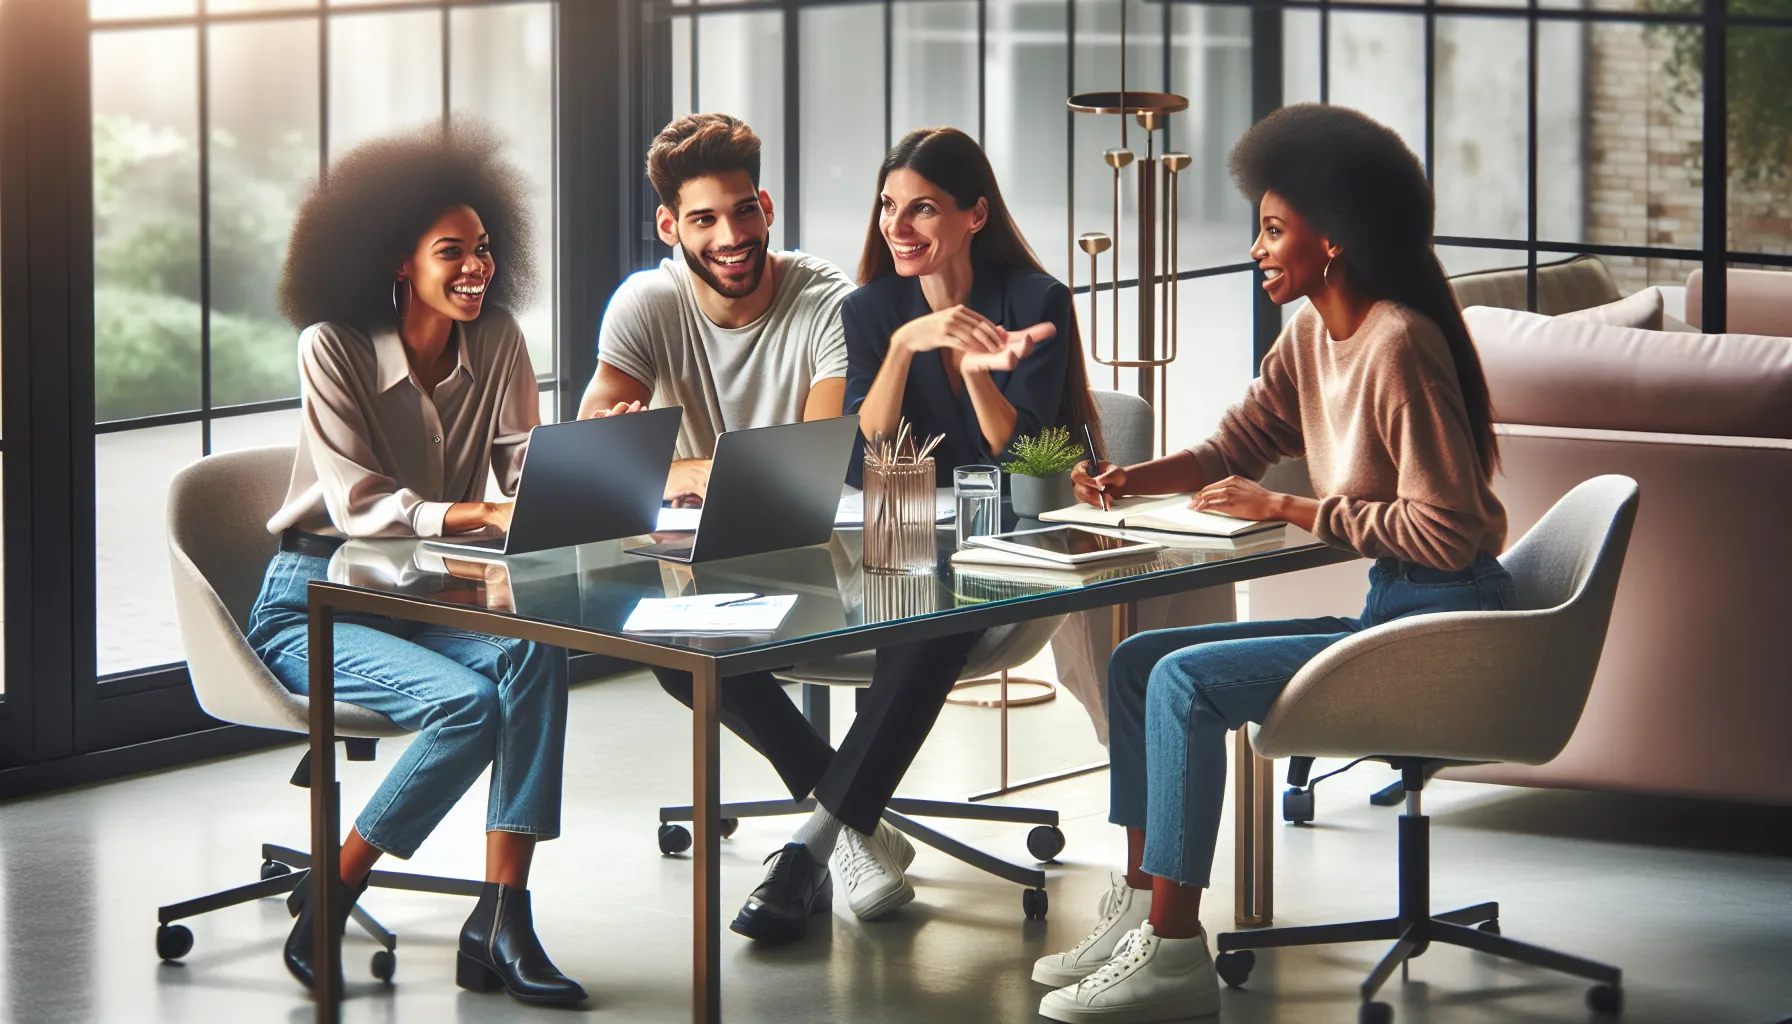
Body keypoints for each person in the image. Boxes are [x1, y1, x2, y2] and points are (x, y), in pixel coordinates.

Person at [1033, 103, 1514, 1024]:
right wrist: (1134, 477)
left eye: (1271, 228)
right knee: (1139, 664)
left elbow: (1449, 532)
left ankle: (1174, 957)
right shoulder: (1307, 337)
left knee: (1183, 683)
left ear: (1331, 239)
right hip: (1393, 608)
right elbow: (1237, 444)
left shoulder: (1399, 344)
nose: (1256, 247)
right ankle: (1143, 908)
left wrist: (1288, 507)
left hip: (1446, 617)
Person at [252, 124, 585, 1007]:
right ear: (400, 259)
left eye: (484, 249)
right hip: (315, 598)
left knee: (532, 646)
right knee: (467, 704)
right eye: (452, 252)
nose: (477, 266)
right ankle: (333, 887)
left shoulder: (502, 341)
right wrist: (473, 511)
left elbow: (525, 479)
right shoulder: (333, 345)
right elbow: (361, 505)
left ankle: (502, 917)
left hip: (421, 588)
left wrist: (596, 478)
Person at [577, 112, 852, 504]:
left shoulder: (828, 302)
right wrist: (676, 475)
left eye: (744, 210)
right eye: (704, 219)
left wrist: (666, 474)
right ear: (668, 226)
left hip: (807, 549)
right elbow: (587, 458)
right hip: (676, 553)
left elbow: (819, 466)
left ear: (766, 207)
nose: (732, 237)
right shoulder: (644, 305)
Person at [845, 126, 1098, 479]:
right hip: (916, 526)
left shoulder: (1038, 302)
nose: (896, 228)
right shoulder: (866, 310)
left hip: (1024, 525)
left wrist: (976, 376)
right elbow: (865, 460)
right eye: (889, 206)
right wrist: (903, 346)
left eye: (923, 209)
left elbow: (1024, 466)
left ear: (976, 215)